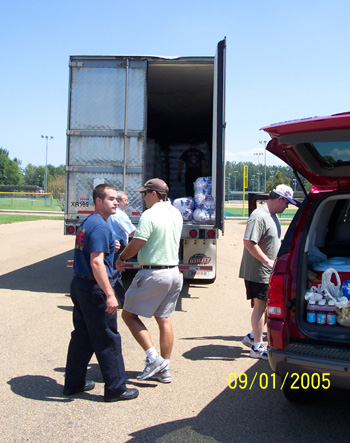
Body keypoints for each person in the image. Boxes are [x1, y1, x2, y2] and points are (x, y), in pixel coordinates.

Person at [63, 184, 139, 402]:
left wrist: (111, 246)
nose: (116, 202)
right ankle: (116, 389)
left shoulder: (88, 223)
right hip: (94, 290)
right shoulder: (101, 227)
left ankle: (73, 383)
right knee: (108, 339)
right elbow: (96, 263)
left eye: (116, 199)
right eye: (111, 199)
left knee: (82, 336)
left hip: (79, 286)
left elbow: (93, 250)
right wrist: (109, 294)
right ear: (98, 201)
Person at [116, 178, 183, 383]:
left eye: (144, 193)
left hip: (154, 273)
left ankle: (153, 358)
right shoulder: (175, 212)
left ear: (154, 194)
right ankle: (165, 368)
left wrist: (121, 259)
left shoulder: (149, 214)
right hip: (174, 273)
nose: (142, 197)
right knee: (164, 318)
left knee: (128, 315)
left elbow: (137, 243)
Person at [239, 184, 297, 360]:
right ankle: (257, 346)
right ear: (279, 198)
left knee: (266, 306)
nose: (286, 207)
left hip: (267, 271)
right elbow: (249, 242)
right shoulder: (259, 216)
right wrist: (268, 261)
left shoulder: (272, 216)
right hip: (259, 271)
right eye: (286, 203)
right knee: (260, 307)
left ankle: (252, 337)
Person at [107, 191, 136, 307]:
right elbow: (133, 232)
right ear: (118, 202)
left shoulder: (110, 213)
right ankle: (105, 299)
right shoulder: (120, 215)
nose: (127, 203)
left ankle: (124, 302)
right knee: (113, 274)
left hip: (110, 245)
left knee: (116, 274)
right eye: (125, 200)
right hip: (117, 247)